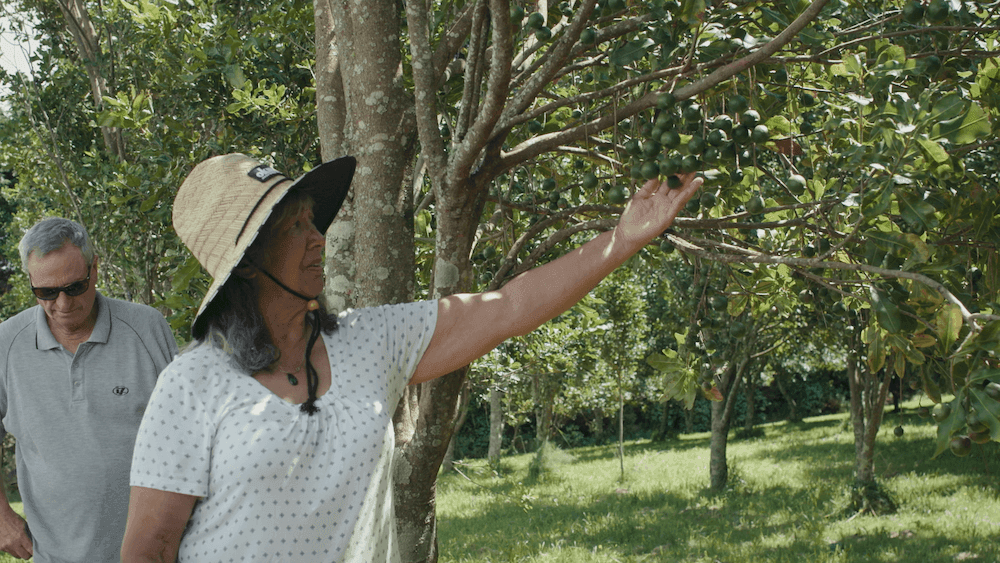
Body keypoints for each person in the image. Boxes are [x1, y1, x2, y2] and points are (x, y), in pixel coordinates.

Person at [121, 153, 702, 562]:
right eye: (294, 227)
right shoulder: (192, 384)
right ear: (247, 264)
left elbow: (510, 305)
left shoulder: (370, 341)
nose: (317, 236)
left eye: (311, 218)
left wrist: (621, 240)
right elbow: (149, 550)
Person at [0, 217, 178, 562]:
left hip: (150, 553)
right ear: (31, 283)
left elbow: (187, 433)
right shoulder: (6, 343)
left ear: (94, 269)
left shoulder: (147, 328)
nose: (63, 304)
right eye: (47, 292)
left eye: (75, 287)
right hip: (54, 554)